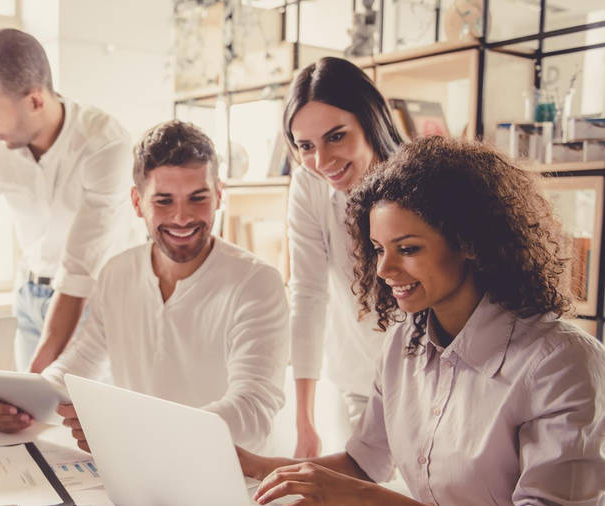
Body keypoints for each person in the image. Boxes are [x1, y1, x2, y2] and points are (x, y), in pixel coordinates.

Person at [241, 137, 605, 505]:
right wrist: (257, 466)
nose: (384, 269)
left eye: (408, 248)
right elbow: (363, 462)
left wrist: (363, 498)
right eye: (379, 249)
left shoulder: (560, 362)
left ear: (469, 243)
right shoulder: (404, 343)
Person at [0, 120, 289, 452]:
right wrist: (22, 403)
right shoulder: (117, 273)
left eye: (197, 198)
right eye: (163, 201)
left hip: (233, 477)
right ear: (136, 202)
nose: (182, 217)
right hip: (139, 467)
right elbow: (79, 363)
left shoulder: (256, 283)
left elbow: (253, 412)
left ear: (218, 195)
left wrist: (133, 431)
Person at [0, 28, 133, 373]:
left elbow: (78, 271)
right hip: (29, 294)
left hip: (91, 301)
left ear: (35, 100)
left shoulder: (105, 143)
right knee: (34, 424)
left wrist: (32, 381)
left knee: (86, 420)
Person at [283, 56, 403, 457]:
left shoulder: (422, 178)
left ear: (370, 121)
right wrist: (305, 422)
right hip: (360, 378)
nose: (322, 161)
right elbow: (308, 294)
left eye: (336, 137)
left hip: (431, 379)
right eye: (306, 146)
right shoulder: (309, 185)